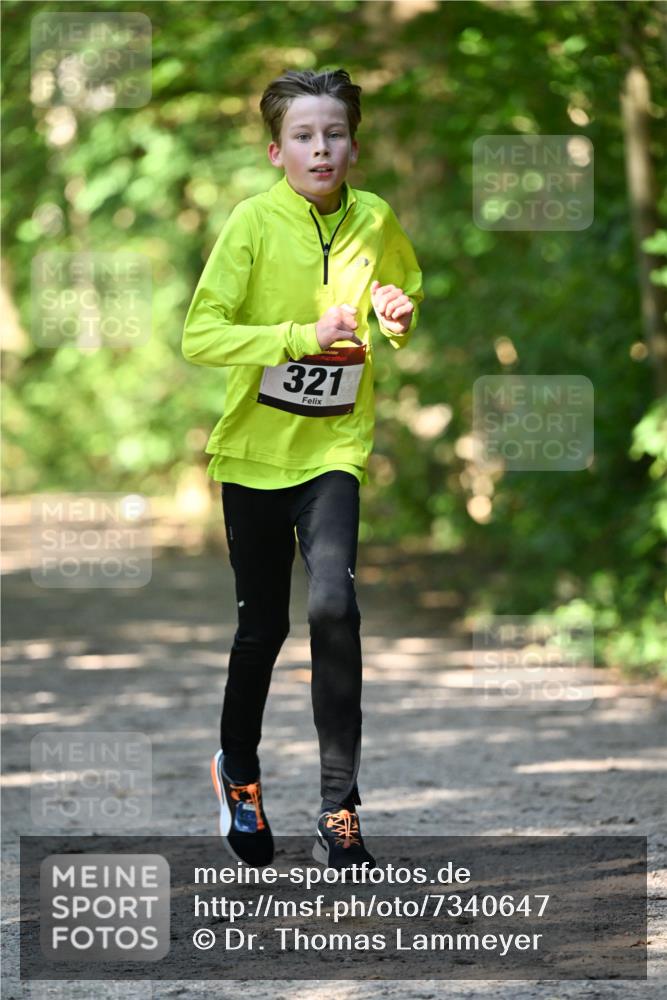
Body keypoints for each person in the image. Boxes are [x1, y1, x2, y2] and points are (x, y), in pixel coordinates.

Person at [182, 67, 424, 869]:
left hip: (334, 449)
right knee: (263, 627)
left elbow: (402, 294)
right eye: (303, 136)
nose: (320, 148)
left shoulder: (376, 218)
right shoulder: (252, 224)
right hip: (252, 455)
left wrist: (396, 313)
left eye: (333, 134)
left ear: (353, 143)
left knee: (333, 612)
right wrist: (294, 336)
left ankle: (339, 806)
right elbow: (201, 337)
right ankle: (239, 776)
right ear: (274, 151)